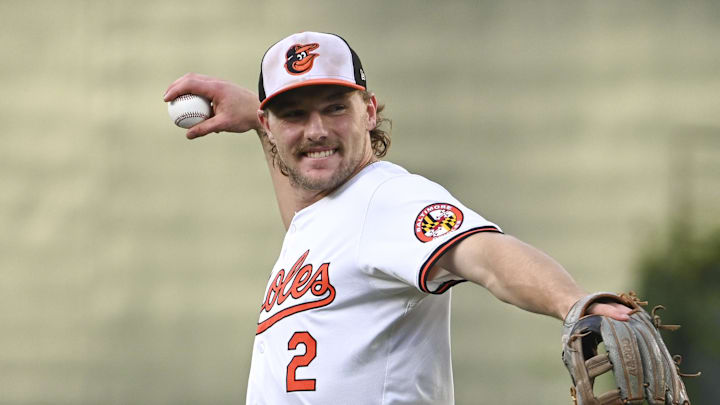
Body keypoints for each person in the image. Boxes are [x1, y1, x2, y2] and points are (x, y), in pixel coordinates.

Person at [163, 32, 632, 405]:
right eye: (293, 115)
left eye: (334, 108)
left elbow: (488, 256)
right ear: (270, 125)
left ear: (368, 111)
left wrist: (573, 302)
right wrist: (254, 113)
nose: (317, 130)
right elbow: (309, 213)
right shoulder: (325, 214)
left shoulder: (389, 198)